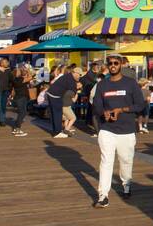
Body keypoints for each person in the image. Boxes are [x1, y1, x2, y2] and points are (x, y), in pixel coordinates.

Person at [90, 55, 147, 207]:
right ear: (107, 66)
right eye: (110, 64)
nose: (113, 65)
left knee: (126, 161)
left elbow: (140, 105)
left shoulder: (131, 83)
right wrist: (104, 113)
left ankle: (126, 185)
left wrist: (121, 110)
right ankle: (103, 195)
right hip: (107, 129)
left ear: (121, 65)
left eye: (116, 63)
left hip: (127, 130)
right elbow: (96, 106)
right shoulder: (102, 84)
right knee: (106, 162)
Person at [46, 65, 78, 138]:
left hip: (51, 93)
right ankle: (57, 132)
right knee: (57, 114)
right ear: (75, 73)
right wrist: (76, 89)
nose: (79, 76)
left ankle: (55, 131)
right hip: (55, 96)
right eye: (79, 75)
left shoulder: (67, 76)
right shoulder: (71, 79)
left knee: (54, 114)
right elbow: (73, 91)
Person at [9, 65, 31, 137]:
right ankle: (17, 129)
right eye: (19, 71)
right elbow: (30, 77)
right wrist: (28, 70)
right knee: (22, 113)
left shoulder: (15, 79)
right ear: (16, 73)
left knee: (22, 112)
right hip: (21, 98)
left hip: (19, 97)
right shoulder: (19, 79)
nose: (20, 71)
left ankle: (16, 128)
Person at [0, 58, 13, 127]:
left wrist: (10, 89)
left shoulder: (8, 71)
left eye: (7, 62)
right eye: (5, 62)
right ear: (1, 63)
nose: (7, 63)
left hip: (6, 90)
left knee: (3, 106)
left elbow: (11, 80)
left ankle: (2, 120)